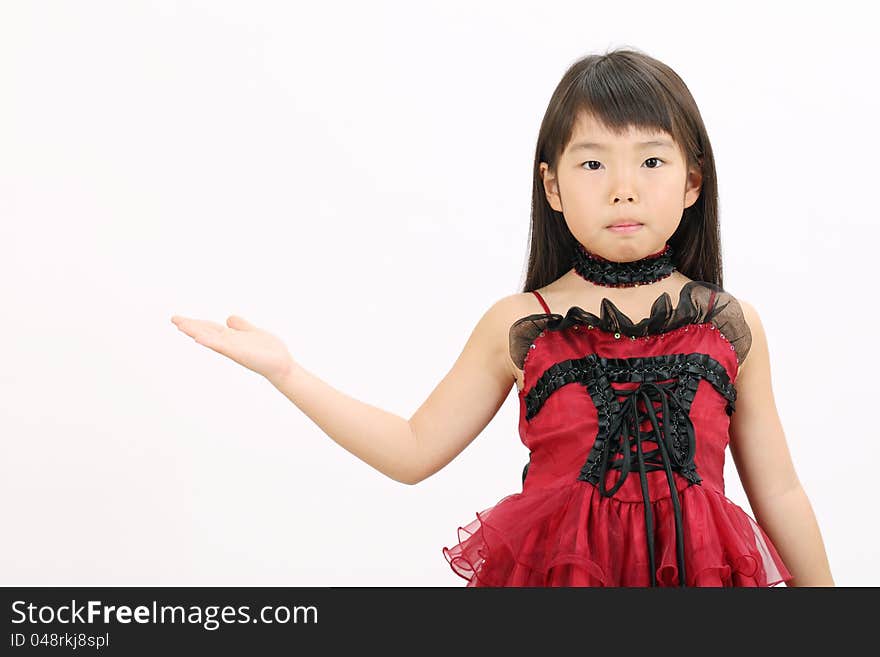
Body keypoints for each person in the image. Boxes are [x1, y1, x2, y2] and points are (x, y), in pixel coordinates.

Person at [170, 47, 834, 587]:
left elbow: (779, 493)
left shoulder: (728, 322)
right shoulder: (521, 323)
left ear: (693, 181)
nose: (623, 186)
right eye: (594, 161)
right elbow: (411, 449)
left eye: (652, 160)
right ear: (552, 185)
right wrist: (288, 372)